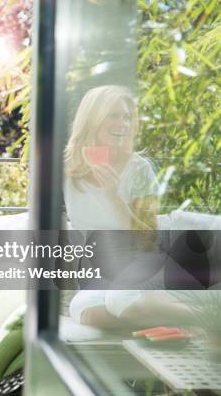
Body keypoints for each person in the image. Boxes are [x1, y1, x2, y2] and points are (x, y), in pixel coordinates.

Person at [63, 85, 192, 329]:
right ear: (93, 119)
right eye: (113, 115)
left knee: (122, 301)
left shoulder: (139, 168)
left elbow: (149, 240)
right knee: (90, 313)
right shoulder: (67, 168)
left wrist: (113, 196)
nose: (122, 123)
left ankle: (204, 316)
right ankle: (164, 316)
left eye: (126, 117)